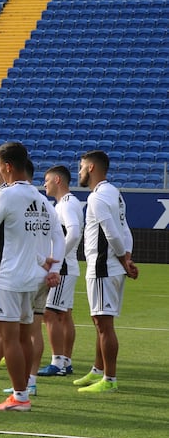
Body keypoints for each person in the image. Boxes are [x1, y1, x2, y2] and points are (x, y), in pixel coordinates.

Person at [0, 142, 62, 411]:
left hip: (7, 276)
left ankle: (20, 397)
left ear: (6, 166)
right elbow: (57, 236)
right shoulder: (42, 200)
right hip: (32, 277)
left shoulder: (6, 195)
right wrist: (52, 268)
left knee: (10, 337)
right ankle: (24, 388)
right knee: (22, 335)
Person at [74, 150, 138, 393]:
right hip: (109, 266)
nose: (78, 171)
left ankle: (109, 379)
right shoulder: (114, 193)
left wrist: (123, 260)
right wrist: (127, 257)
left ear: (91, 168)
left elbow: (112, 232)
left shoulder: (98, 197)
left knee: (103, 322)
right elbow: (125, 228)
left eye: (81, 167)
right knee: (99, 320)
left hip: (103, 267)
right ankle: (98, 370)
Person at [38, 165, 84, 377]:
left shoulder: (66, 204)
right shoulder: (67, 203)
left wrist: (58, 257)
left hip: (63, 268)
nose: (44, 184)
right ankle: (65, 361)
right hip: (68, 266)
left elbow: (74, 232)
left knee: (50, 313)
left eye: (47, 180)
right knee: (64, 315)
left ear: (57, 180)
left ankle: (57, 362)